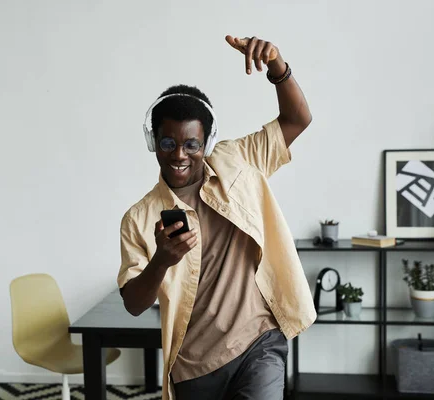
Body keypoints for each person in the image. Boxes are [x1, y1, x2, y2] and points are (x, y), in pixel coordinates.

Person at [117, 35, 317, 400]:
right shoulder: (139, 218)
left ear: (207, 143)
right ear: (153, 142)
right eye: (167, 143)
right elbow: (133, 303)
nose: (179, 154)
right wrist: (162, 260)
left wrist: (276, 66)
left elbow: (297, 118)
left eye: (191, 144)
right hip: (194, 365)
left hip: (259, 340)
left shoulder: (238, 159)